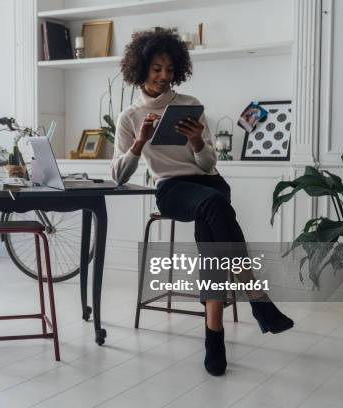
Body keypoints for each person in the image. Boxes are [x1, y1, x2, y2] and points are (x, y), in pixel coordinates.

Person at [111, 28, 294, 376]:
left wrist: (197, 142)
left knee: (212, 228)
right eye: (156, 69)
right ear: (141, 69)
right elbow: (119, 174)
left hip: (208, 183)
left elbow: (210, 165)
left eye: (169, 69)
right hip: (172, 189)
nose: (164, 77)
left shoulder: (188, 106)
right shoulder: (129, 117)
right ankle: (256, 297)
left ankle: (216, 338)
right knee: (214, 208)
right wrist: (139, 143)